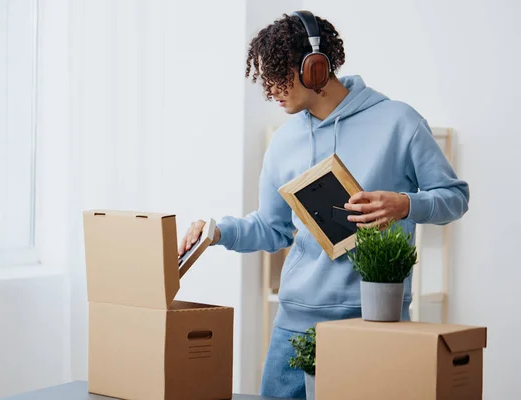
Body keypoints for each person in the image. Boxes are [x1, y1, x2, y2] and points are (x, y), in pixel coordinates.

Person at [177, 10, 469, 399]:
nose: (271, 91)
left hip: (375, 324)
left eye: (279, 75)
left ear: (315, 67)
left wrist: (404, 204)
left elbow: (455, 197)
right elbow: (272, 227)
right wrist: (217, 232)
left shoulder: (399, 122)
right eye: (264, 80)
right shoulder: (283, 142)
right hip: (294, 325)